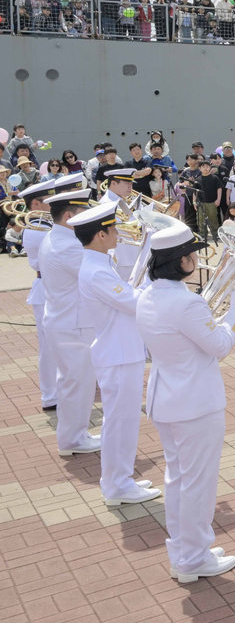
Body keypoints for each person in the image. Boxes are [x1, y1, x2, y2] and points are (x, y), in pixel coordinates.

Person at [136, 223, 235, 583]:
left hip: (166, 398)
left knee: (178, 479)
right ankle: (192, 559)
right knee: (198, 484)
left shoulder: (147, 295)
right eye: (191, 253)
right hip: (194, 404)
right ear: (181, 261)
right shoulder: (186, 302)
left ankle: (187, 550)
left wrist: (214, 318)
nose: (196, 257)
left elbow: (187, 336)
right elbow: (220, 347)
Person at [73, 202, 160, 505]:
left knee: (122, 421)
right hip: (119, 353)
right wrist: (154, 280)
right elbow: (135, 302)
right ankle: (117, 486)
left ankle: (120, 478)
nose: (118, 233)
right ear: (99, 235)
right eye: (112, 228)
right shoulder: (97, 271)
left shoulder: (100, 263)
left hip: (121, 350)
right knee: (120, 423)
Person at [43, 187, 103, 456]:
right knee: (77, 383)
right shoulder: (68, 246)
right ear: (68, 215)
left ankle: (74, 434)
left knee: (72, 382)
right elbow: (97, 274)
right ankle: (72, 440)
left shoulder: (59, 238)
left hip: (67, 319)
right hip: (73, 323)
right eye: (83, 212)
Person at [17, 179, 67, 412]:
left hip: (54, 287)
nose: (51, 204)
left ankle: (58, 391)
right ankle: (50, 396)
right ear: (36, 202)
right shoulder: (36, 228)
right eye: (47, 200)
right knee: (48, 347)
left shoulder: (45, 224)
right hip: (46, 288)